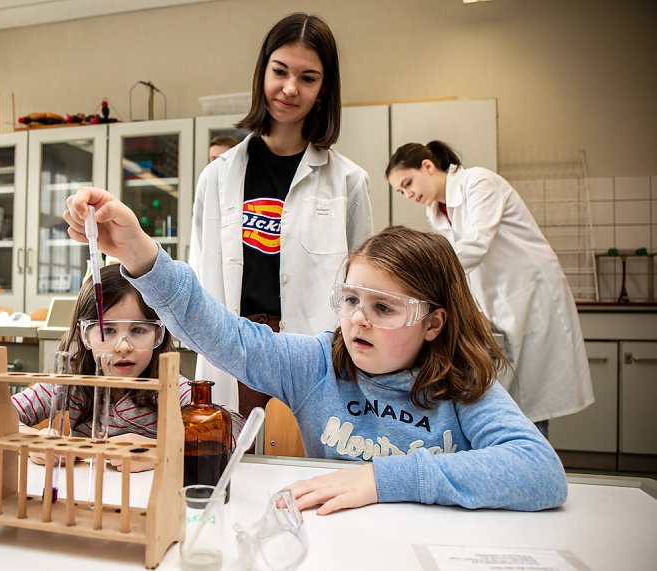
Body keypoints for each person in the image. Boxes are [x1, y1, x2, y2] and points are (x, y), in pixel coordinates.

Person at [63, 186, 568, 514]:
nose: (358, 319)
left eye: (384, 308)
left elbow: (539, 471)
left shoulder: (460, 383)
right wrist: (139, 253)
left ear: (433, 322)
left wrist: (382, 480)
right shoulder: (317, 363)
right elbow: (220, 333)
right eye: (350, 300)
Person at [189, 13, 373, 418]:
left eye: (308, 78)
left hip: (313, 356)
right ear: (262, 73)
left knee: (305, 453)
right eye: (280, 71)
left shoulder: (348, 181)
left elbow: (363, 287)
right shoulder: (217, 177)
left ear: (323, 89)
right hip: (235, 348)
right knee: (234, 449)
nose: (290, 88)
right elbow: (200, 274)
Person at [386, 141, 593, 437]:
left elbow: (475, 245)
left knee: (531, 397)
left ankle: (533, 457)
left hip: (531, 293)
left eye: (407, 183)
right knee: (511, 396)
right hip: (499, 300)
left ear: (428, 166)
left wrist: (417, 276)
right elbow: (462, 268)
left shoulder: (478, 183)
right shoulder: (436, 211)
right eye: (400, 191)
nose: (407, 194)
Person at [7, 264, 244, 472]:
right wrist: (33, 442)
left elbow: (236, 428)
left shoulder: (168, 386)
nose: (123, 347)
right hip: (86, 498)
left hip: (149, 501)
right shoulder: (71, 382)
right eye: (108, 330)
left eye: (138, 330)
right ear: (84, 335)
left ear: (158, 334)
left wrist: (160, 449)